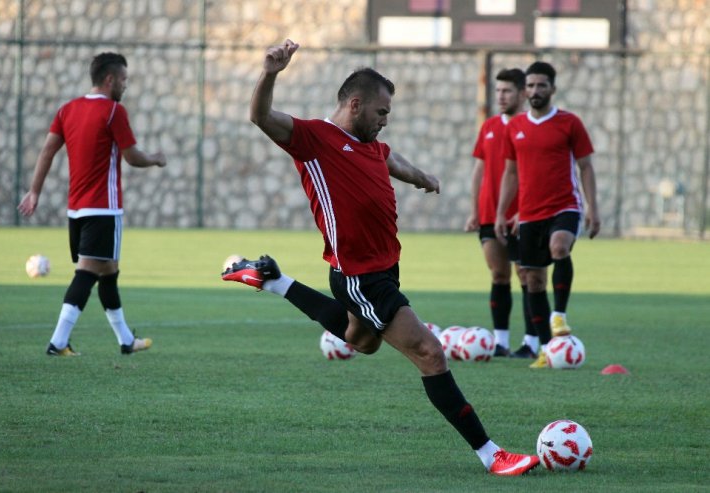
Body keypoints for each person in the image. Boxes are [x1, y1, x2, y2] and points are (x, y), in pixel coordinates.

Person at [223, 39, 539, 476]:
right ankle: (492, 454)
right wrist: (270, 72)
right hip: (359, 275)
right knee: (430, 352)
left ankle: (272, 279)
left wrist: (421, 177)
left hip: (384, 269)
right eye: (382, 113)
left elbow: (393, 161)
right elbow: (259, 117)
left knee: (363, 341)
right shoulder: (315, 138)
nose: (385, 122)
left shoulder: (371, 146)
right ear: (355, 104)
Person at [18, 52, 166, 356]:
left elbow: (47, 152)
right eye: (123, 80)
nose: (125, 86)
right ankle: (58, 342)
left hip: (76, 210)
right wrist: (155, 159)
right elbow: (132, 156)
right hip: (104, 209)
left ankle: (126, 341)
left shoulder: (67, 109)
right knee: (87, 273)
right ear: (109, 79)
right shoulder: (113, 112)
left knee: (108, 271)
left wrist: (35, 191)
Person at [495, 61, 600, 369]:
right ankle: (546, 349)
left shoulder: (569, 123)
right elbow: (510, 172)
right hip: (528, 214)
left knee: (559, 247)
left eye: (541, 85)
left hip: (565, 206)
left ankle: (559, 316)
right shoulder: (515, 127)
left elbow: (586, 166)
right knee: (533, 280)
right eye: (530, 85)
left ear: (553, 89)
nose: (535, 91)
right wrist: (502, 212)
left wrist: (593, 207)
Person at [465, 68, 539, 359]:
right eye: (497, 91)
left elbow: (534, 174)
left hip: (522, 215)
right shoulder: (490, 126)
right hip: (488, 214)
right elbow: (478, 171)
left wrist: (524, 209)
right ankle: (500, 341)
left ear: (522, 93)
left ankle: (532, 343)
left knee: (527, 276)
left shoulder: (529, 127)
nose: (500, 96)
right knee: (498, 275)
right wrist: (474, 211)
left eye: (507, 91)